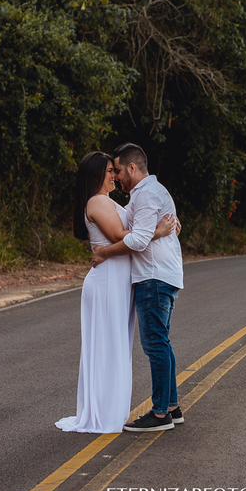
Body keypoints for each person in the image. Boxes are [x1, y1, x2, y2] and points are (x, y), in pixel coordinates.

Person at [55, 151, 176, 434]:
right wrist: (156, 232)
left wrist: (161, 227)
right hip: (107, 281)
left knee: (117, 346)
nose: (115, 176)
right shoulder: (96, 202)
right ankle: (103, 412)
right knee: (108, 347)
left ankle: (113, 408)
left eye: (115, 171)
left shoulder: (109, 201)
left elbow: (135, 229)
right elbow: (119, 236)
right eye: (110, 171)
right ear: (97, 174)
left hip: (119, 279)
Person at [91, 143, 183, 432]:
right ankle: (171, 407)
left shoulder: (146, 195)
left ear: (132, 167)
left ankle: (159, 415)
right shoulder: (150, 193)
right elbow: (132, 221)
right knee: (162, 342)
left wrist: (104, 252)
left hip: (153, 276)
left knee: (155, 344)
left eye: (118, 170)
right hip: (162, 274)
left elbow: (138, 240)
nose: (116, 176)